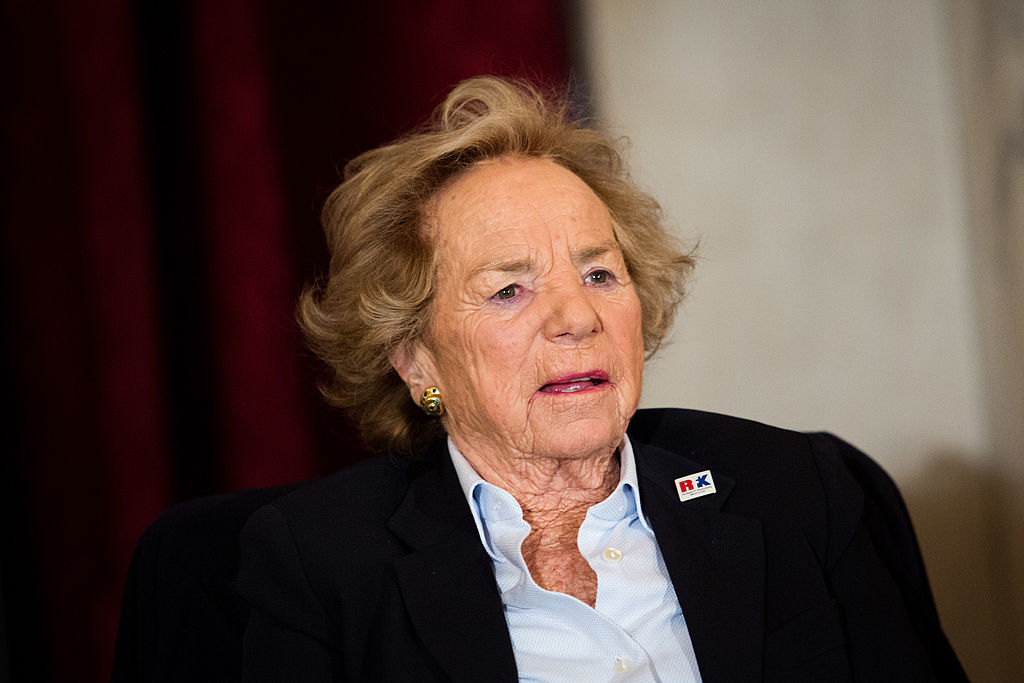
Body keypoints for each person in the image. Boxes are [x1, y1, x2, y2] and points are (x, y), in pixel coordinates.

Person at [236, 76, 967, 682]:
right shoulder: (319, 564)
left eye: (599, 273)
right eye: (509, 290)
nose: (576, 317)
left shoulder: (802, 488)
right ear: (415, 357)